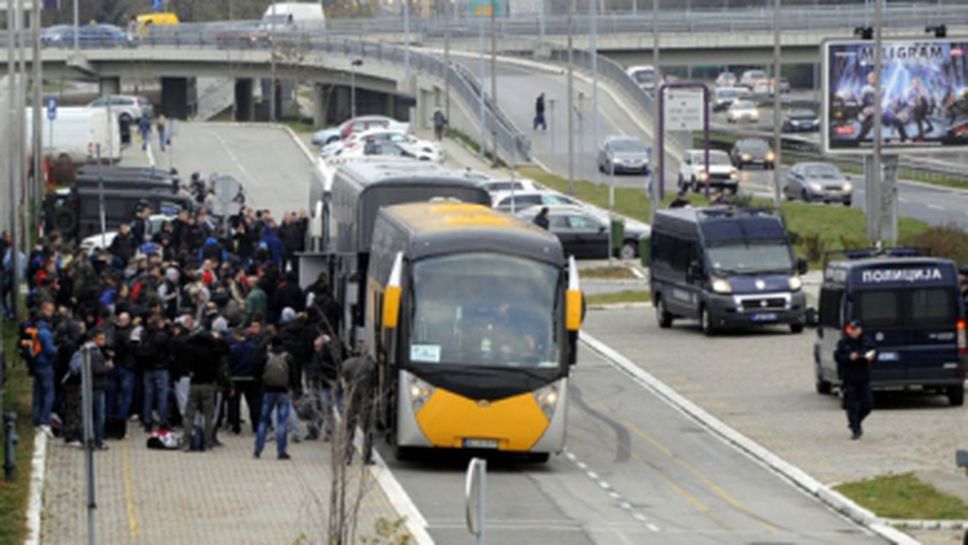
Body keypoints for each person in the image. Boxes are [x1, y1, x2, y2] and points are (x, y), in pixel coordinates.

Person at [254, 336, 298, 460]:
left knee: (263, 421)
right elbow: (294, 375)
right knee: (282, 422)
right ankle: (281, 451)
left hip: (268, 391)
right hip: (283, 392)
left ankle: (258, 449)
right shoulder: (288, 357)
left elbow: (257, 372)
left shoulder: (266, 357)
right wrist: (296, 390)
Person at [835, 319, 877, 440]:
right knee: (852, 405)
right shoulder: (844, 343)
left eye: (855, 329)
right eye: (851, 330)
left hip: (864, 377)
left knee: (868, 404)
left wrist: (871, 357)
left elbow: (874, 353)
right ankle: (855, 429)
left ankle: (856, 422)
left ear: (860, 330)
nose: (852, 332)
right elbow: (838, 357)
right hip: (849, 377)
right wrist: (849, 357)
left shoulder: (866, 341)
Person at [342, 341, 376, 465]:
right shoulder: (370, 365)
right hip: (366, 398)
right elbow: (374, 383)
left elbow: (345, 383)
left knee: (349, 427)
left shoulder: (346, 364)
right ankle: (367, 457)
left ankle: (347, 456)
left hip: (351, 397)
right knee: (367, 428)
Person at [28, 301, 59, 437]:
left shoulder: (34, 331)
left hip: (36, 365)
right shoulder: (46, 333)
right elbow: (50, 351)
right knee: (48, 394)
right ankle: (45, 421)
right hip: (45, 365)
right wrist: (58, 349)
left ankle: (36, 419)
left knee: (38, 393)